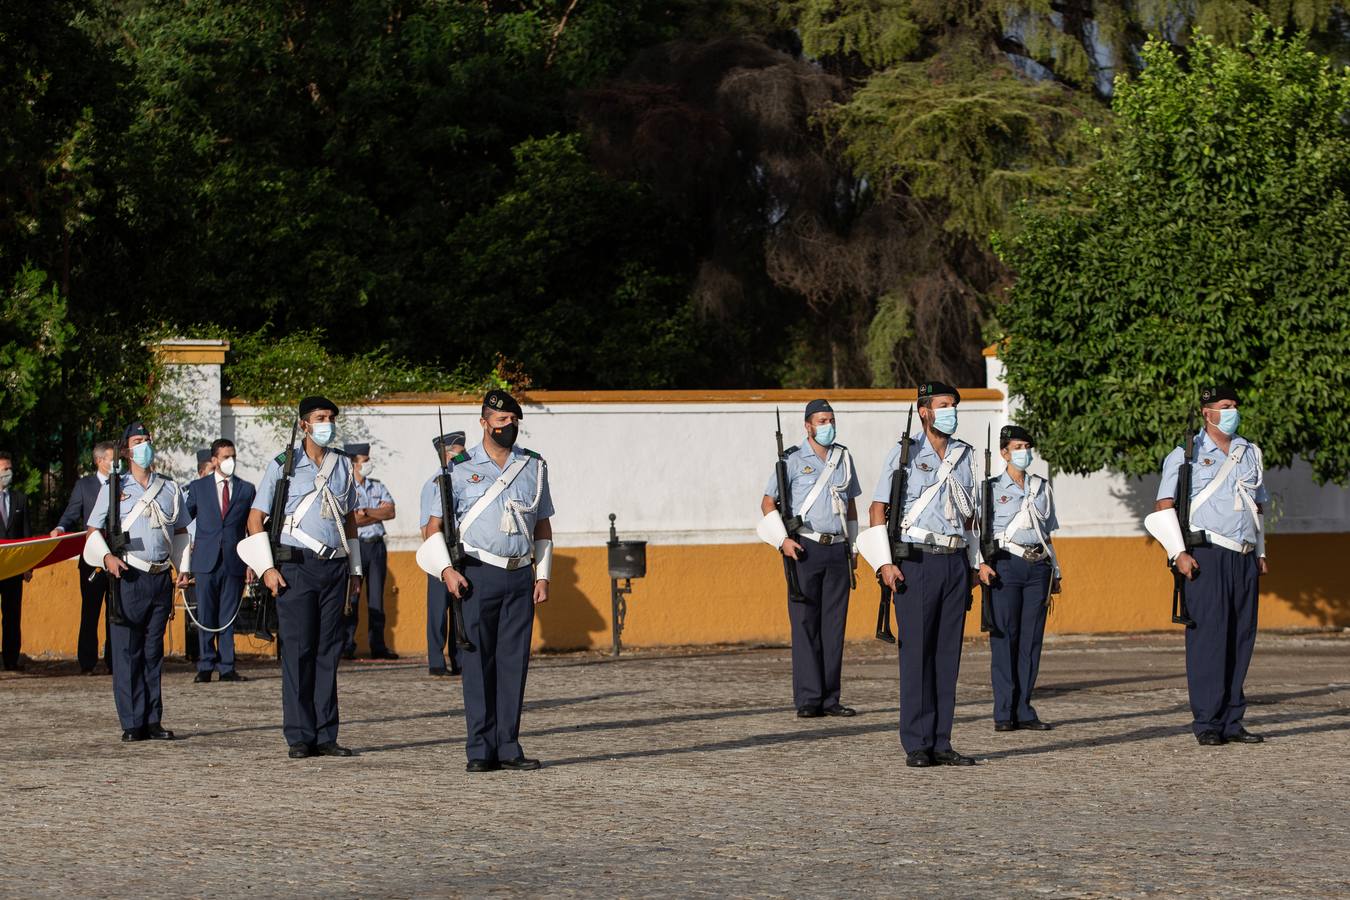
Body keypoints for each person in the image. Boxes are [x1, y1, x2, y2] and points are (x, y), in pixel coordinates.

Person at [416, 390, 553, 772]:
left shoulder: (534, 467)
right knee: (476, 662)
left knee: (513, 663)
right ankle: (479, 748)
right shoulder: (456, 469)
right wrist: (446, 571)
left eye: (513, 421)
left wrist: (543, 574)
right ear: (483, 423)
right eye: (500, 421)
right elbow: (433, 528)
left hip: (519, 575)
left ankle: (508, 745)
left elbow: (541, 524)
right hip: (476, 574)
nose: (508, 427)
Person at [856, 382, 979, 768]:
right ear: (924, 410)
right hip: (916, 563)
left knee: (947, 656)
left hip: (954, 560)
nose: (951, 411)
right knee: (917, 655)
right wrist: (883, 563)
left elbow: (974, 516)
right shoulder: (904, 453)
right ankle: (916, 742)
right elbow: (878, 510)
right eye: (943, 405)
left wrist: (975, 563)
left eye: (954, 405)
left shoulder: (966, 455)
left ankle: (942, 740)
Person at [240, 396, 362, 759]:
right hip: (294, 568)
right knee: (298, 651)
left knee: (328, 651)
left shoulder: (342, 464)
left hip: (334, 568)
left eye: (330, 417)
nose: (327, 423)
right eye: (320, 418)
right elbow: (254, 518)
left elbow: (350, 519)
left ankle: (326, 734)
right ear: (304, 424)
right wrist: (267, 569)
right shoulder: (284, 464)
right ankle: (299, 735)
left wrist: (355, 569)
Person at [1150, 386, 1269, 746]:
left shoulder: (1250, 453)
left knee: (1241, 638)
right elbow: (1164, 505)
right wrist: (1178, 553)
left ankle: (1233, 720)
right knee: (1208, 640)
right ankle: (1207, 722)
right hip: (1207, 555)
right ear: (1207, 413)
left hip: (1244, 555)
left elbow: (1257, 508)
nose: (1231, 411)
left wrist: (1261, 551)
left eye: (1234, 405)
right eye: (1224, 406)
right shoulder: (1185, 454)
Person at [82, 423, 191, 742]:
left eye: (147, 439)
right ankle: (132, 721)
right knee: (127, 650)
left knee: (153, 651)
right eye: (138, 441)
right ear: (128, 451)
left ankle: (152, 718)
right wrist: (106, 559)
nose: (145, 445)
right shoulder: (115, 487)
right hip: (128, 575)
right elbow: (93, 530)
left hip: (160, 577)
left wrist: (183, 567)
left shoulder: (169, 488)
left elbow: (182, 530)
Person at [756, 399, 861, 719]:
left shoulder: (844, 457)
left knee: (833, 626)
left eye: (831, 419)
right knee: (805, 624)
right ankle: (808, 697)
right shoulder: (790, 460)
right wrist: (782, 540)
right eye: (821, 420)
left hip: (837, 548)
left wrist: (854, 547)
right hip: (805, 547)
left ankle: (831, 698)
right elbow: (767, 502)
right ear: (808, 426)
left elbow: (852, 505)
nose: (828, 425)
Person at [975, 425, 1061, 732]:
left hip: (1038, 566)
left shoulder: (1041, 487)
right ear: (1004, 453)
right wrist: (980, 564)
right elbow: (977, 532)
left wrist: (1057, 571)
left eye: (1027, 446)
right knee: (1004, 638)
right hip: (1005, 565)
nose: (1024, 451)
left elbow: (1047, 532)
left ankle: (1024, 708)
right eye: (1017, 447)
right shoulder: (990, 489)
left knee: (1031, 640)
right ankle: (1003, 712)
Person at [182, 439, 255, 683]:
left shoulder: (246, 489)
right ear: (213, 460)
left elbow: (251, 528)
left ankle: (227, 667)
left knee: (228, 616)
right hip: (205, 561)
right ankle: (204, 665)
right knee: (206, 615)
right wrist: (182, 560)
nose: (229, 461)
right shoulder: (199, 487)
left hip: (234, 561)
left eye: (232, 455)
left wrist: (253, 562)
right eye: (224, 456)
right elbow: (182, 521)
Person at [53, 441, 119, 674]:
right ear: (99, 461)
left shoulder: (123, 483)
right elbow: (71, 513)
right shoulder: (85, 485)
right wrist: (60, 528)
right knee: (90, 610)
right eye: (111, 458)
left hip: (119, 558)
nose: (116, 462)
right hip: (92, 559)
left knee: (116, 611)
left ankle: (115, 661)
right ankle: (88, 662)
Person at [342, 442, 398, 660]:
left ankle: (378, 646)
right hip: (356, 547)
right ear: (354, 464)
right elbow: (352, 520)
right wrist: (375, 514)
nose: (368, 464)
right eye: (365, 461)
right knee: (352, 597)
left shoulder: (377, 486)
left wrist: (366, 512)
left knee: (376, 599)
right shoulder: (346, 488)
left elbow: (391, 511)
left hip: (376, 546)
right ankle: (347, 645)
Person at [421, 430, 466, 677]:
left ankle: (459, 658)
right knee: (438, 610)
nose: (463, 457)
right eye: (459, 453)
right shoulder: (433, 484)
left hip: (462, 549)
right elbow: (426, 526)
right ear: (445, 455)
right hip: (440, 551)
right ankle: (436, 660)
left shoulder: (465, 478)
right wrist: (437, 558)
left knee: (459, 607)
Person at [0, 451, 33, 671]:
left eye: (10, 468)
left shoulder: (20, 499)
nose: (8, 473)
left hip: (14, 568)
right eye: (4, 469)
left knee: (12, 615)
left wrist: (28, 565)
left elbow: (26, 534)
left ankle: (11, 660)